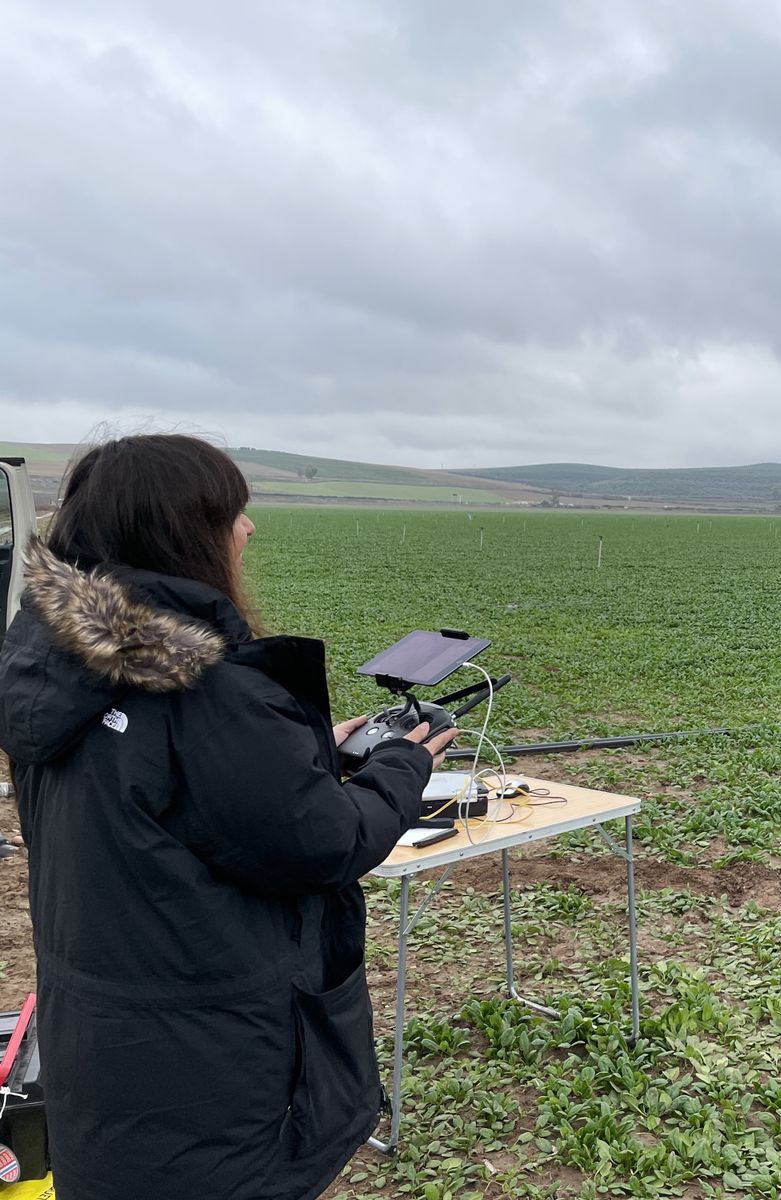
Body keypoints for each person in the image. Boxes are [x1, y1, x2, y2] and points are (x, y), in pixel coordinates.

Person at [0, 434, 457, 1200]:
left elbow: (164, 796)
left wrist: (304, 751)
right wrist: (404, 767)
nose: (248, 531)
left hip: (101, 1057)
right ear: (183, 532)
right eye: (233, 513)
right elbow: (324, 843)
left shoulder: (51, 665)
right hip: (211, 1076)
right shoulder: (207, 696)